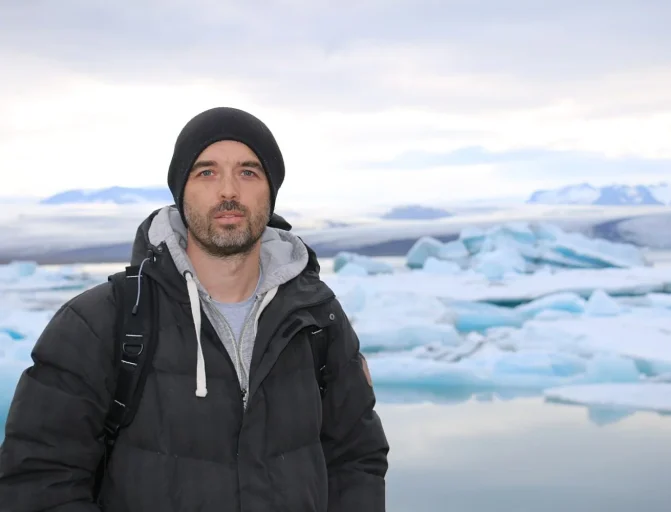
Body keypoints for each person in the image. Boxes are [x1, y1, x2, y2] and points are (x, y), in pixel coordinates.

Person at [0, 107, 389, 511]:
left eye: (248, 172)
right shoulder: (100, 322)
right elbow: (39, 483)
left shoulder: (317, 320)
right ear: (180, 192)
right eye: (206, 172)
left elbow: (356, 460)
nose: (228, 192)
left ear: (270, 192)